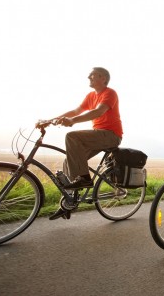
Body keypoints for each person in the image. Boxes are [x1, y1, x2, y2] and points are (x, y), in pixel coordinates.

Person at [39, 67, 123, 220]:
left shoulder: (109, 93)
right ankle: (69, 203)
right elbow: (75, 111)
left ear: (103, 78)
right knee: (70, 161)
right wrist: (49, 121)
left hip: (111, 135)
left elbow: (98, 112)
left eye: (92, 75)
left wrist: (72, 122)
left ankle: (85, 178)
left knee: (72, 137)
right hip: (98, 135)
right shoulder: (91, 95)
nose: (88, 77)